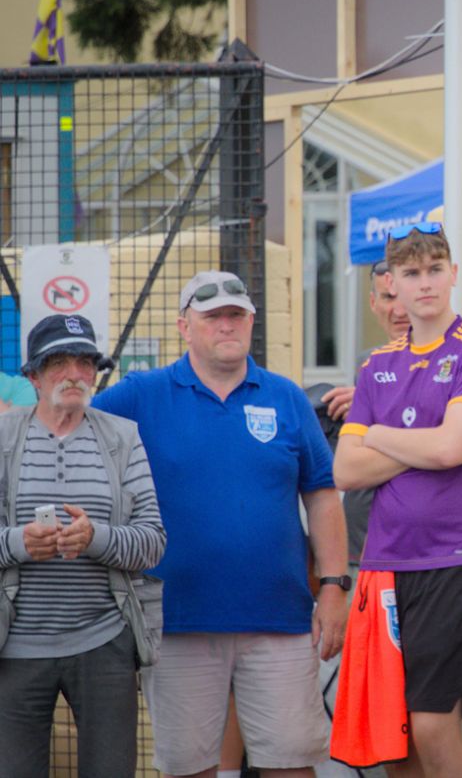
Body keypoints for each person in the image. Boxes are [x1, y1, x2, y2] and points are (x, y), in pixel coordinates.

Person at [94, 270, 349, 778]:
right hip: (177, 620)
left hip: (280, 620)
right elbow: (71, 423)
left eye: (237, 315)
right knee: (190, 769)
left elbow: (321, 496)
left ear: (251, 321)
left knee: (293, 763)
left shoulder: (286, 397)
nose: (227, 325)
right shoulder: (142, 395)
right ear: (184, 326)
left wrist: (336, 587)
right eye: (213, 316)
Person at [332, 222, 462, 778]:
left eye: (435, 270)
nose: (425, 283)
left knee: (432, 724)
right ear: (392, 286)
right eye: (411, 273)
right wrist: (426, 446)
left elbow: (455, 447)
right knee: (394, 735)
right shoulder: (376, 366)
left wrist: (378, 435)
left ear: (453, 275)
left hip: (455, 556)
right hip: (384, 564)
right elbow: (346, 468)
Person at [0, 314, 166, 776]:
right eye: (59, 362)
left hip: (104, 642)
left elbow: (153, 541)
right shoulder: (3, 439)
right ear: (32, 375)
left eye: (85, 362)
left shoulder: (122, 437)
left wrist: (97, 538)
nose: (74, 373)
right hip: (14, 646)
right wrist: (18, 543)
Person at [321, 259, 412, 570]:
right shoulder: (369, 364)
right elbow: (346, 472)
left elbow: (448, 447)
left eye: (404, 295)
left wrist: (370, 414)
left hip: (415, 550)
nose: (398, 310)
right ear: (373, 303)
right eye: (388, 298)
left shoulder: (455, 360)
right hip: (360, 548)